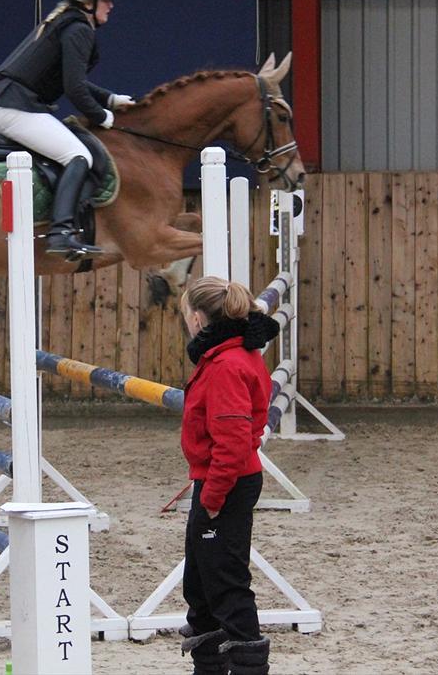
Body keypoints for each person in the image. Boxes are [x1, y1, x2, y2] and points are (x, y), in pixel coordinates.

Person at [0, 0, 135, 259]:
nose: (111, 5)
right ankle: (61, 233)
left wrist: (111, 99)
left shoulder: (65, 23)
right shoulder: (78, 29)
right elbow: (74, 89)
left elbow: (73, 81)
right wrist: (103, 117)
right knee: (79, 156)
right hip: (14, 108)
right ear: (87, 1)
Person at [177, 276, 281, 675]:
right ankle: (209, 666)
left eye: (186, 315)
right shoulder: (235, 355)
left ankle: (247, 665)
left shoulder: (226, 365)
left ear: (197, 319)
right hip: (220, 479)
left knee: (224, 583)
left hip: (226, 483)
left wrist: (213, 497)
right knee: (201, 582)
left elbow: (234, 440)